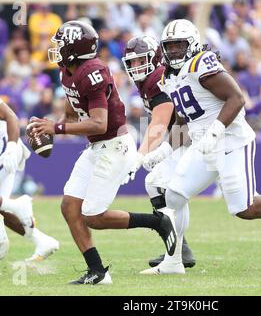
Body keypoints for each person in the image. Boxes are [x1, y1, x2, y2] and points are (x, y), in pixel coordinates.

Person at [140, 19, 261, 275]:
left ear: (191, 43)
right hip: (203, 146)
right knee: (174, 194)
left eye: (179, 45)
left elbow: (236, 97)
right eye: (169, 47)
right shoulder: (170, 76)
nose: (174, 52)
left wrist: (215, 131)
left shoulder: (200, 62)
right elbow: (183, 118)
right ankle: (174, 262)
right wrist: (164, 150)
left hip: (232, 142)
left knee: (244, 208)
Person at [31, 20, 177, 285]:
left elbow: (99, 122)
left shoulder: (93, 71)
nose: (57, 48)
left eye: (61, 43)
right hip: (96, 146)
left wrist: (58, 128)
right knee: (69, 207)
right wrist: (47, 128)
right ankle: (98, 271)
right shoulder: (67, 70)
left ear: (75, 48)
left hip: (115, 146)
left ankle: (157, 222)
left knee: (94, 217)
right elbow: (71, 110)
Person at [122, 35, 196, 268]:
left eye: (140, 60)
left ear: (154, 58)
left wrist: (140, 154)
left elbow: (159, 123)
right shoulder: (146, 80)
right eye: (132, 62)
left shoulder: (157, 78)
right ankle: (179, 248)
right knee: (156, 183)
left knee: (246, 205)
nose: (136, 66)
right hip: (184, 136)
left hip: (196, 137)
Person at [0, 99, 59, 261]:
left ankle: (16, 206)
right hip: (6, 148)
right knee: (2, 206)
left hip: (6, 149)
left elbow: (10, 116)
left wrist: (11, 147)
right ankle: (41, 240)